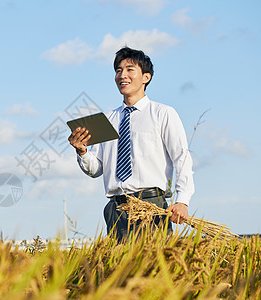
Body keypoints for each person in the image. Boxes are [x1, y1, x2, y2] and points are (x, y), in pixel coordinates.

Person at [68, 46, 194, 241]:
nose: (122, 75)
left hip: (151, 207)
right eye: (118, 71)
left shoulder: (163, 113)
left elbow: (182, 159)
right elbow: (96, 169)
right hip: (116, 209)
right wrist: (82, 152)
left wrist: (182, 201)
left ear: (146, 77)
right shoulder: (107, 119)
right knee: (119, 270)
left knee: (154, 267)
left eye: (129, 69)